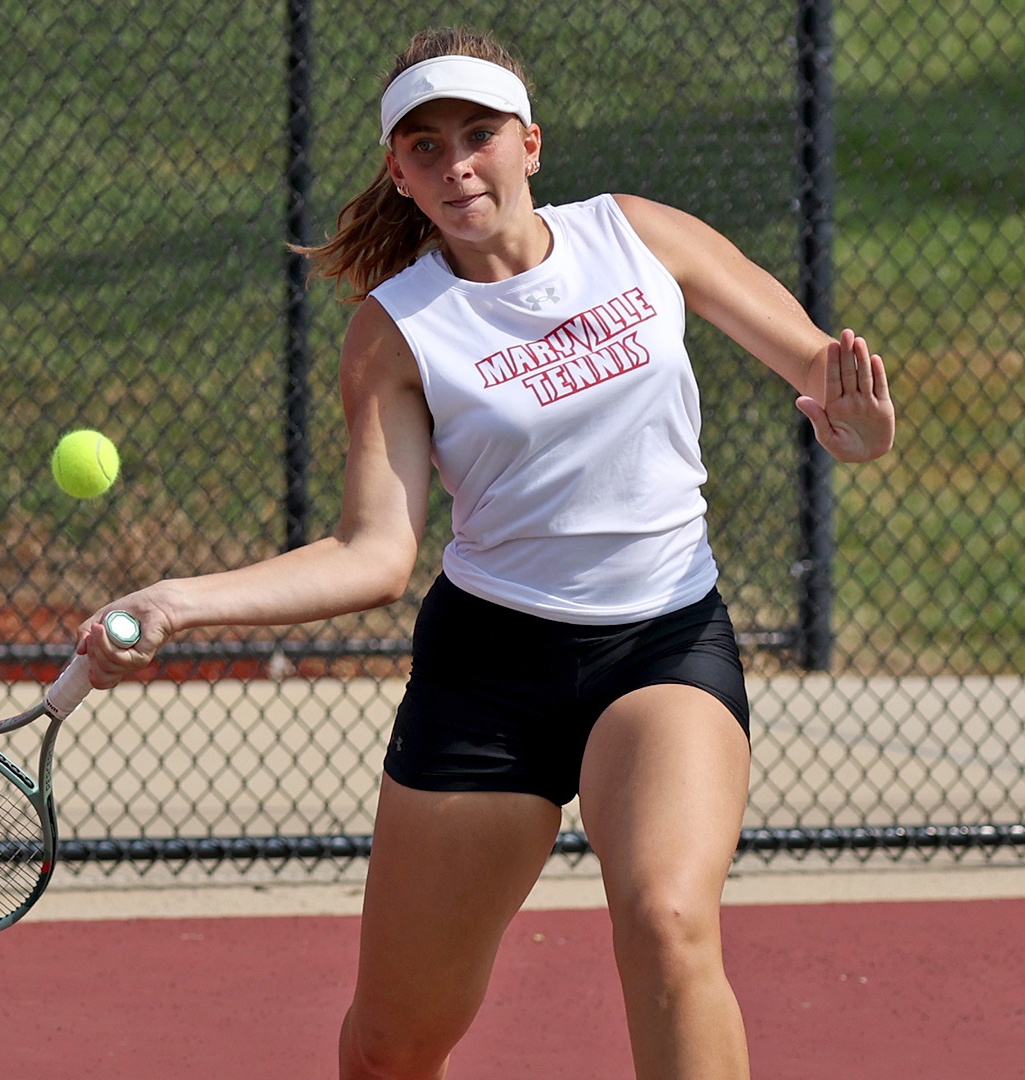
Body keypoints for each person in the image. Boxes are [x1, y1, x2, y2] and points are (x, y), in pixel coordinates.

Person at [76, 26, 894, 1080]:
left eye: (479, 134)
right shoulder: (397, 330)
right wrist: (179, 600)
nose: (456, 162)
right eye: (425, 147)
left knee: (668, 919)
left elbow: (829, 376)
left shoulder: (638, 236)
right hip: (488, 681)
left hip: (661, 648)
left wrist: (863, 430)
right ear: (400, 175)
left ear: (532, 144)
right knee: (392, 1045)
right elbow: (374, 555)